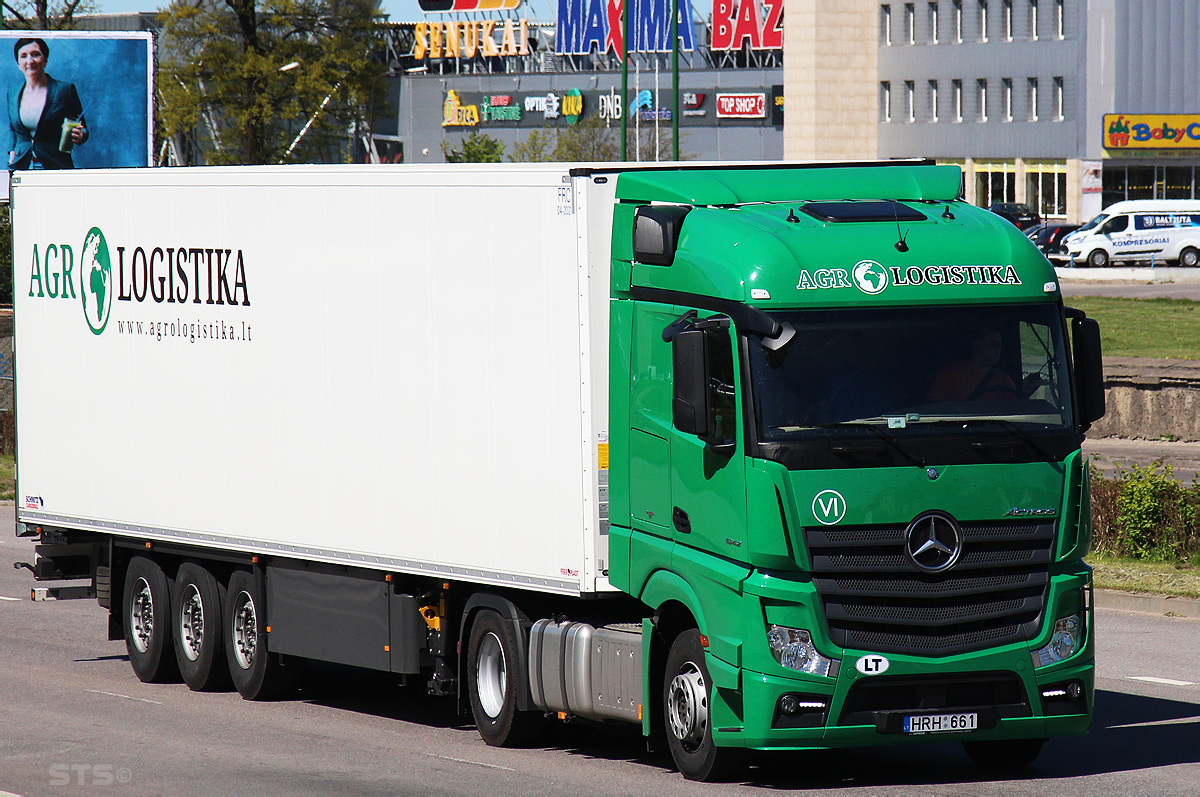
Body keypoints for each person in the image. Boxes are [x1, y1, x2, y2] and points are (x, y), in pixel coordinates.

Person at [5, 37, 88, 170]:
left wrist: (81, 134)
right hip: (22, 166)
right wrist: (12, 151)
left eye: (36, 54)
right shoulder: (13, 92)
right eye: (23, 56)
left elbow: (82, 127)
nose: (30, 61)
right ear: (18, 64)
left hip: (56, 166)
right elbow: (13, 127)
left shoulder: (65, 90)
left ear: (45, 60)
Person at [928, 327, 1019, 401]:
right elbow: (934, 408)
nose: (997, 350)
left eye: (999, 345)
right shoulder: (950, 375)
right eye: (991, 344)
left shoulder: (1004, 380)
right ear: (976, 346)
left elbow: (1013, 408)